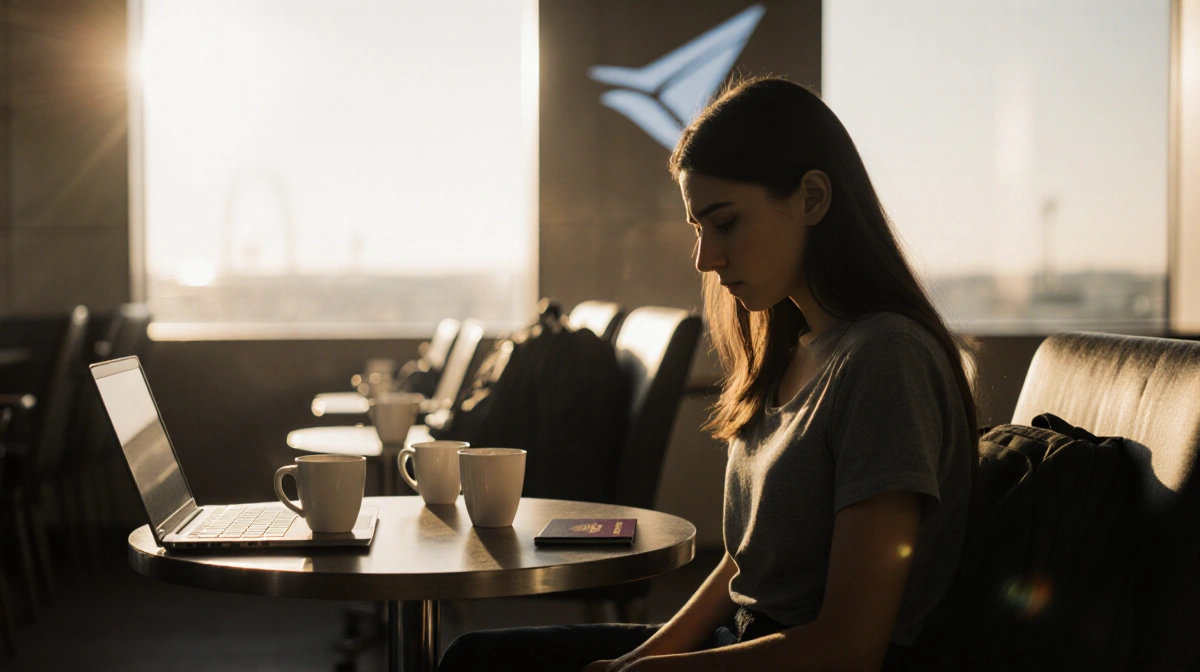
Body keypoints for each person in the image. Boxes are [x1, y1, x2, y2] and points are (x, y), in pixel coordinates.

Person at [438, 75, 977, 672]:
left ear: (812, 199)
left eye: (725, 222)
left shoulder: (886, 360)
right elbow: (742, 566)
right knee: (474, 659)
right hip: (742, 643)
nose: (704, 258)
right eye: (698, 229)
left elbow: (849, 647)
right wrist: (637, 660)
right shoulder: (788, 349)